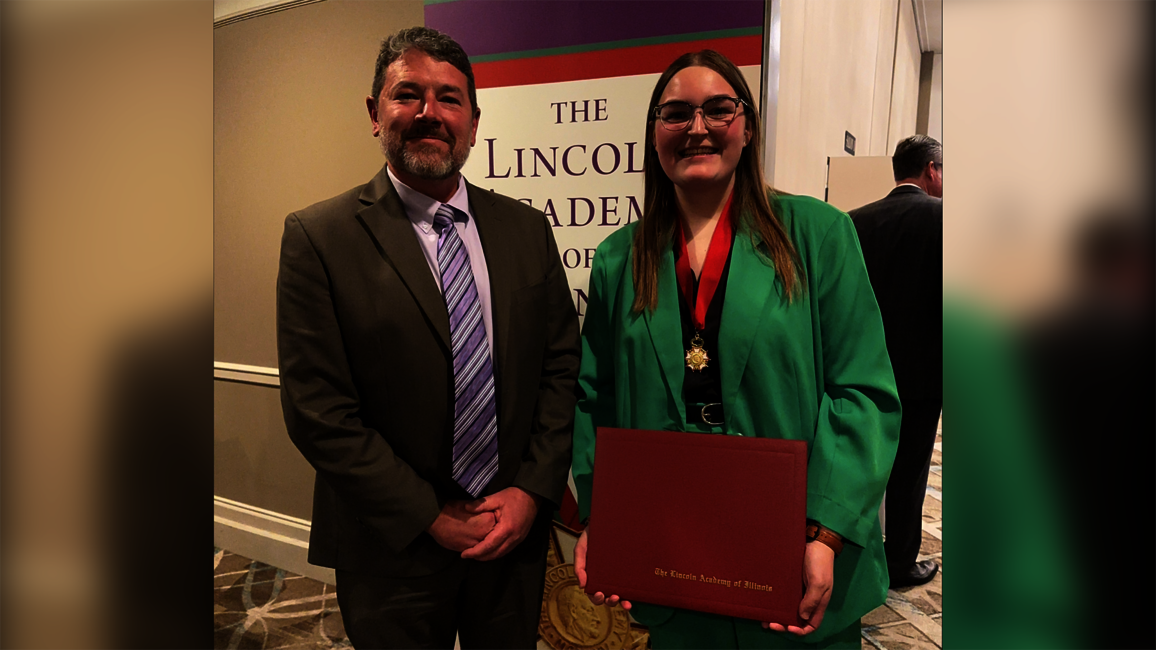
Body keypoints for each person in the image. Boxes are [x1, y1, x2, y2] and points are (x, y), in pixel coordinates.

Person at [570, 50, 901, 649]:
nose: (697, 128)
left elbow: (864, 394)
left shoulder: (819, 235)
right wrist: (603, 515)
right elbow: (596, 398)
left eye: (718, 109)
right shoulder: (620, 259)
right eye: (675, 114)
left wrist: (826, 533)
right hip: (673, 554)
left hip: (796, 557)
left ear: (747, 127)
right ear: (654, 134)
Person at [276, 26, 580, 650]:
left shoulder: (526, 229)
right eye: (407, 94)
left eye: (448, 98)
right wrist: (430, 516)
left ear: (472, 120)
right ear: (374, 113)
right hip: (391, 546)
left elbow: (560, 369)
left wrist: (530, 493)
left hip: (509, 536)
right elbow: (319, 411)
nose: (427, 114)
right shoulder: (319, 237)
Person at [849, 134, 943, 588]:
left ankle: (849, 551)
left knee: (860, 461)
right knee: (909, 470)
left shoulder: (854, 222)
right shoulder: (944, 219)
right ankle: (900, 561)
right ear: (931, 170)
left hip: (861, 368)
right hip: (924, 373)